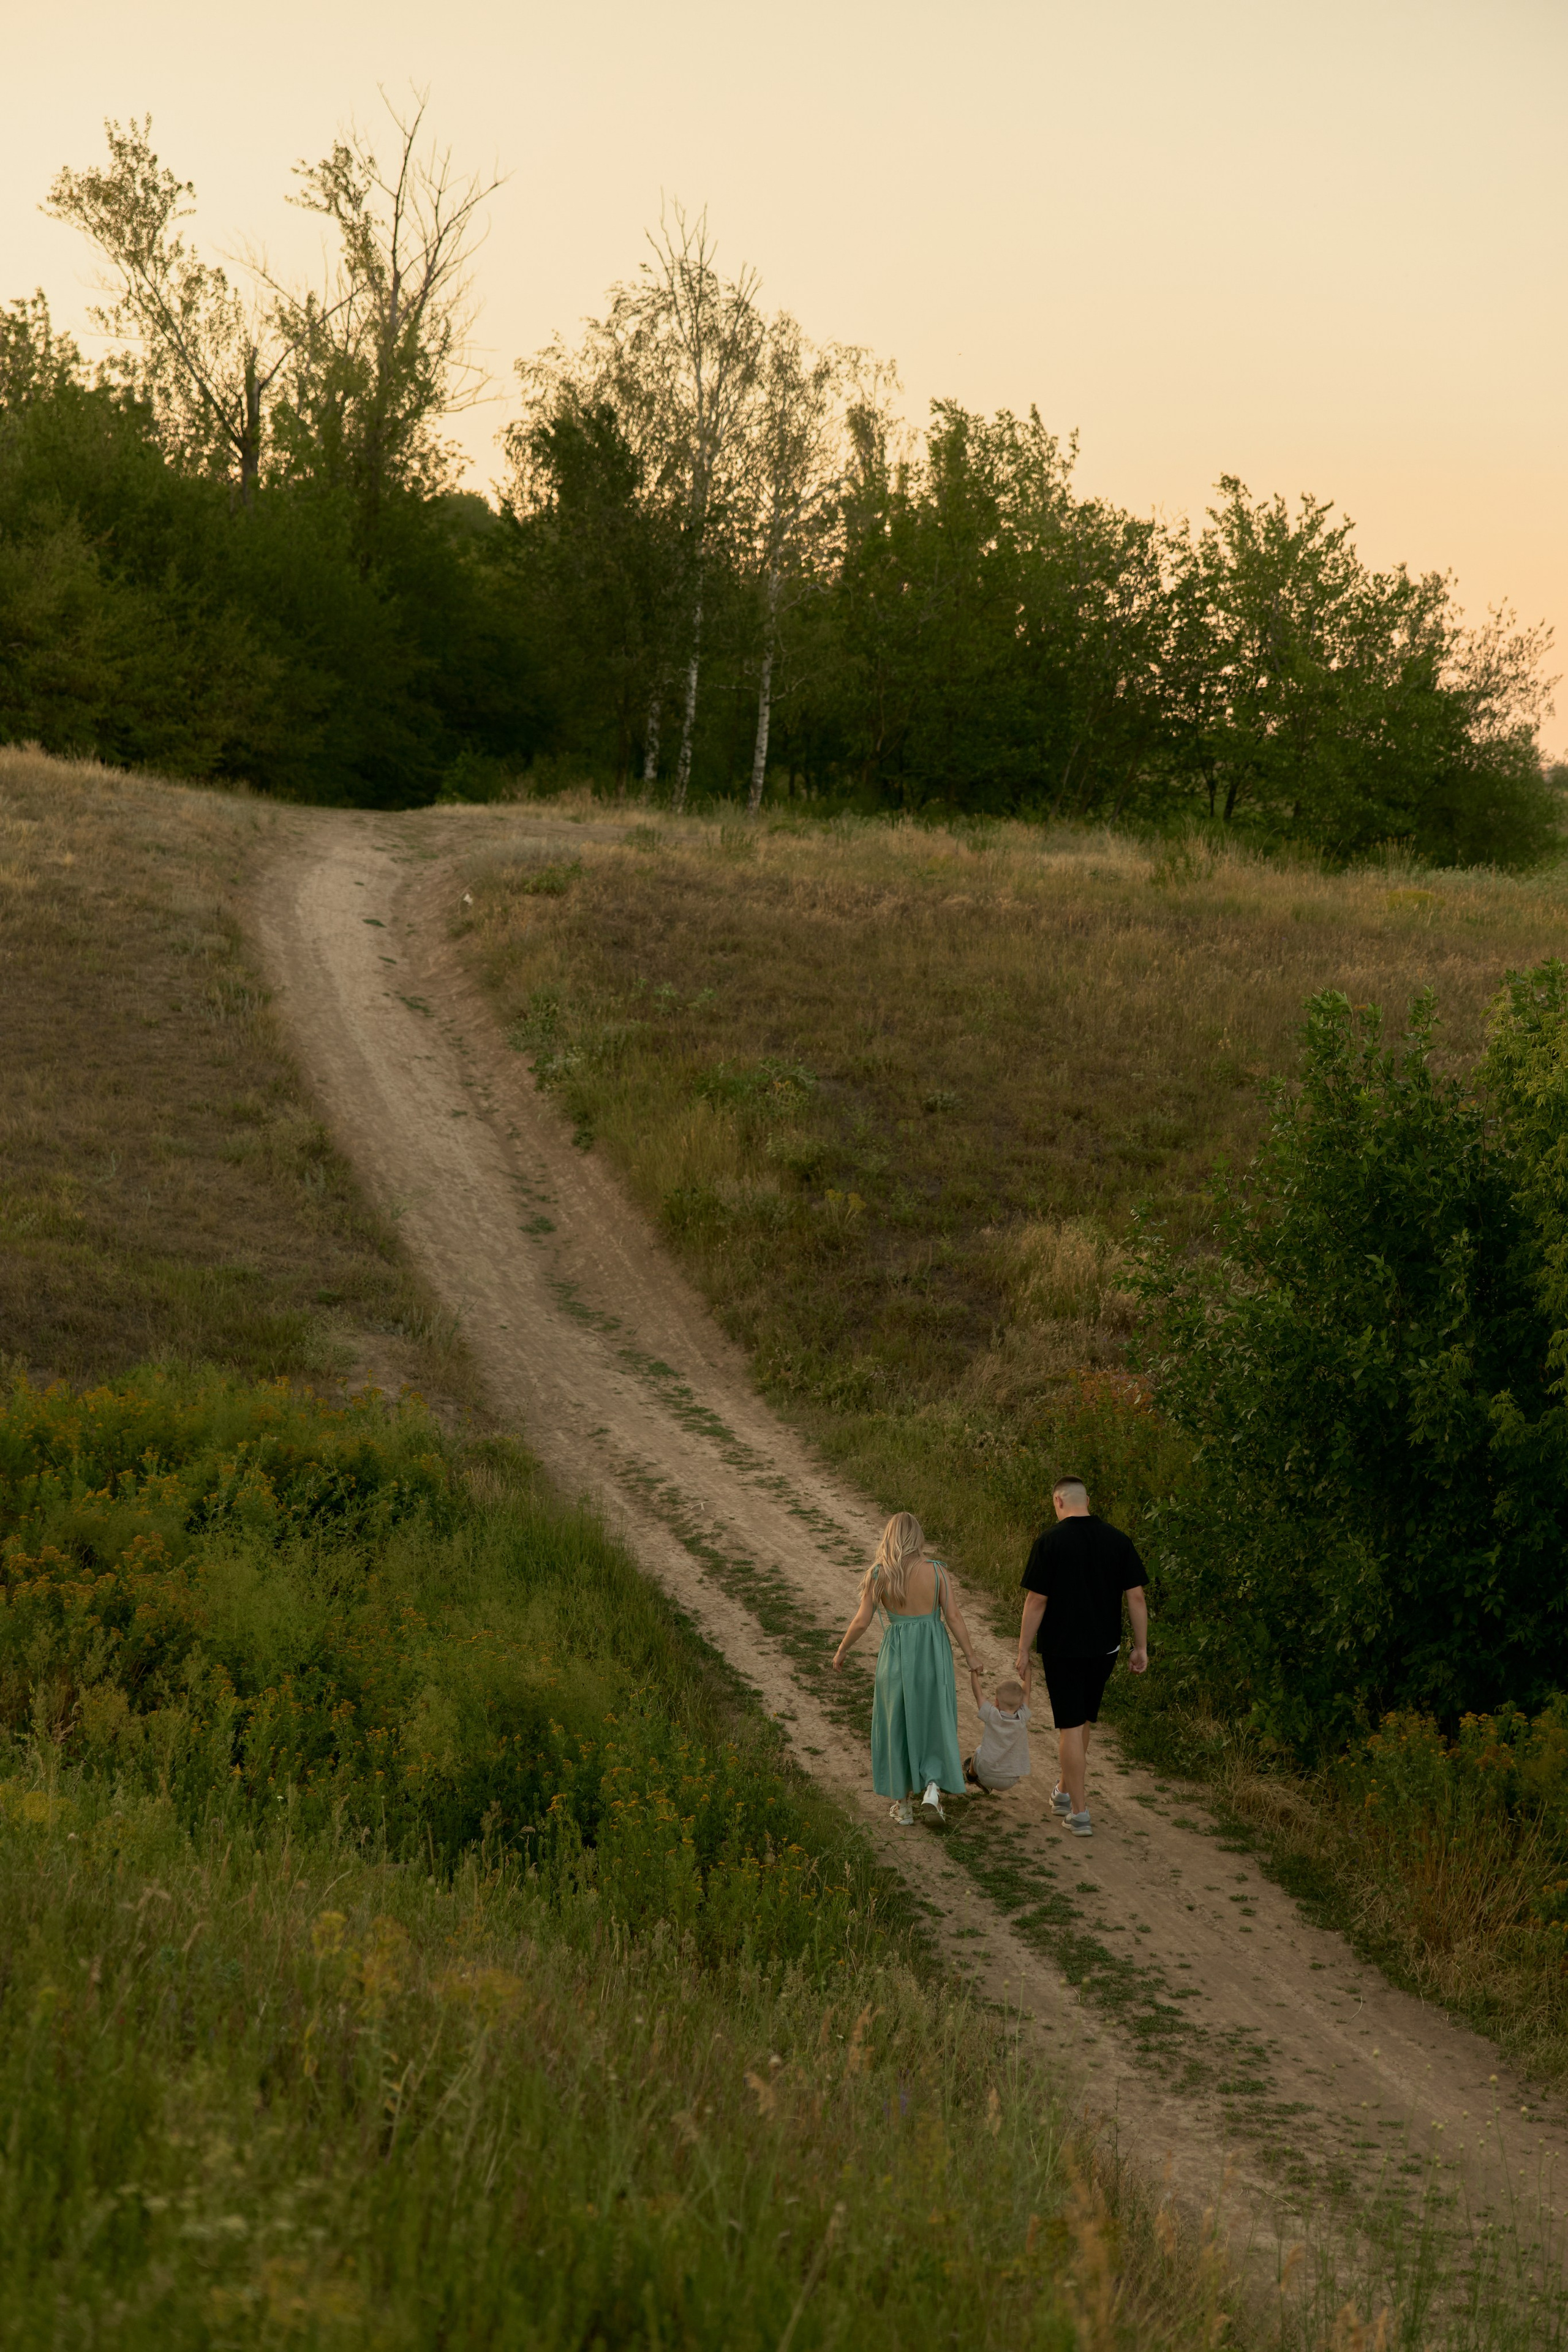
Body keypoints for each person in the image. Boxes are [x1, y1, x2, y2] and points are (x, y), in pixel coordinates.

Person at [1014, 1476, 1148, 1838]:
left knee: (1070, 1726)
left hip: (1064, 1649)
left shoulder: (1050, 1541)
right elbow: (1136, 1597)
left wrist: (1024, 1648)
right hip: (1105, 1649)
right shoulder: (1118, 1540)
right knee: (1083, 1720)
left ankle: (1080, 1812)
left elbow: (1037, 1600)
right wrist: (1141, 1646)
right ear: (1086, 1500)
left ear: (1058, 1501)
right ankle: (1064, 1791)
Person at [832, 1510, 980, 1825]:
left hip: (897, 1657)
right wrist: (970, 1656)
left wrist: (843, 1649)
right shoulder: (937, 1573)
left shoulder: (879, 1575)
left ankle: (903, 1806)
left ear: (889, 1537)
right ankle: (931, 1786)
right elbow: (953, 1617)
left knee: (896, 1723)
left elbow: (862, 1621)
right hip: (932, 1656)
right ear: (918, 1537)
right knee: (934, 1719)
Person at [964, 1665, 1032, 1794]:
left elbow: (978, 1695)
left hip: (986, 1773)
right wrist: (1027, 1671)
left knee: (979, 1751)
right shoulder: (1023, 1717)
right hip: (1011, 1779)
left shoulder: (991, 1715)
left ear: (996, 1702)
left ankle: (971, 1775)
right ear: (1021, 1704)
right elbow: (1027, 1693)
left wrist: (974, 1673)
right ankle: (985, 1782)